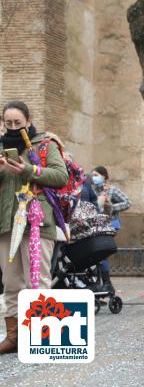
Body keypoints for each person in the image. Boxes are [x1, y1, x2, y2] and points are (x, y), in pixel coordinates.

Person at [0, 100, 69, 354]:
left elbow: (61, 177)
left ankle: (39, 337)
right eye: (8, 123)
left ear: (28, 121)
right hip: (6, 223)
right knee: (10, 282)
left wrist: (28, 169)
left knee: (37, 280)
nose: (13, 127)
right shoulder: (0, 146)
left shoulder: (44, 144)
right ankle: (14, 337)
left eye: (18, 123)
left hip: (36, 221)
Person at [91, 165, 131, 293]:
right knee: (95, 254)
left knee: (101, 253)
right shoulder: (91, 189)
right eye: (93, 175)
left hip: (110, 224)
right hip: (95, 225)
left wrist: (112, 207)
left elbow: (127, 202)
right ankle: (97, 283)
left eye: (96, 175)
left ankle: (106, 284)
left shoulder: (112, 190)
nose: (94, 177)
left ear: (104, 176)